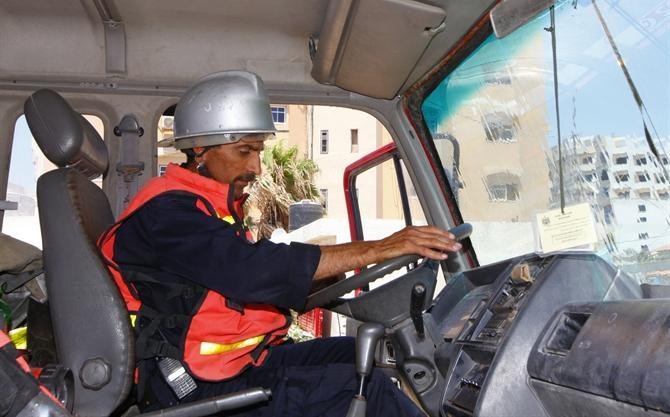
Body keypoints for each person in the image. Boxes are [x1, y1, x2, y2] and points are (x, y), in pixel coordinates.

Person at [99, 70, 462, 416]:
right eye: (244, 151)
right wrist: (380, 248)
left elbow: (222, 292)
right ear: (199, 149)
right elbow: (251, 271)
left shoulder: (205, 208)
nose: (256, 167)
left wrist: (320, 280)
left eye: (258, 151)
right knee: (368, 389)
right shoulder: (167, 213)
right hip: (190, 384)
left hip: (240, 363)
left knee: (364, 356)